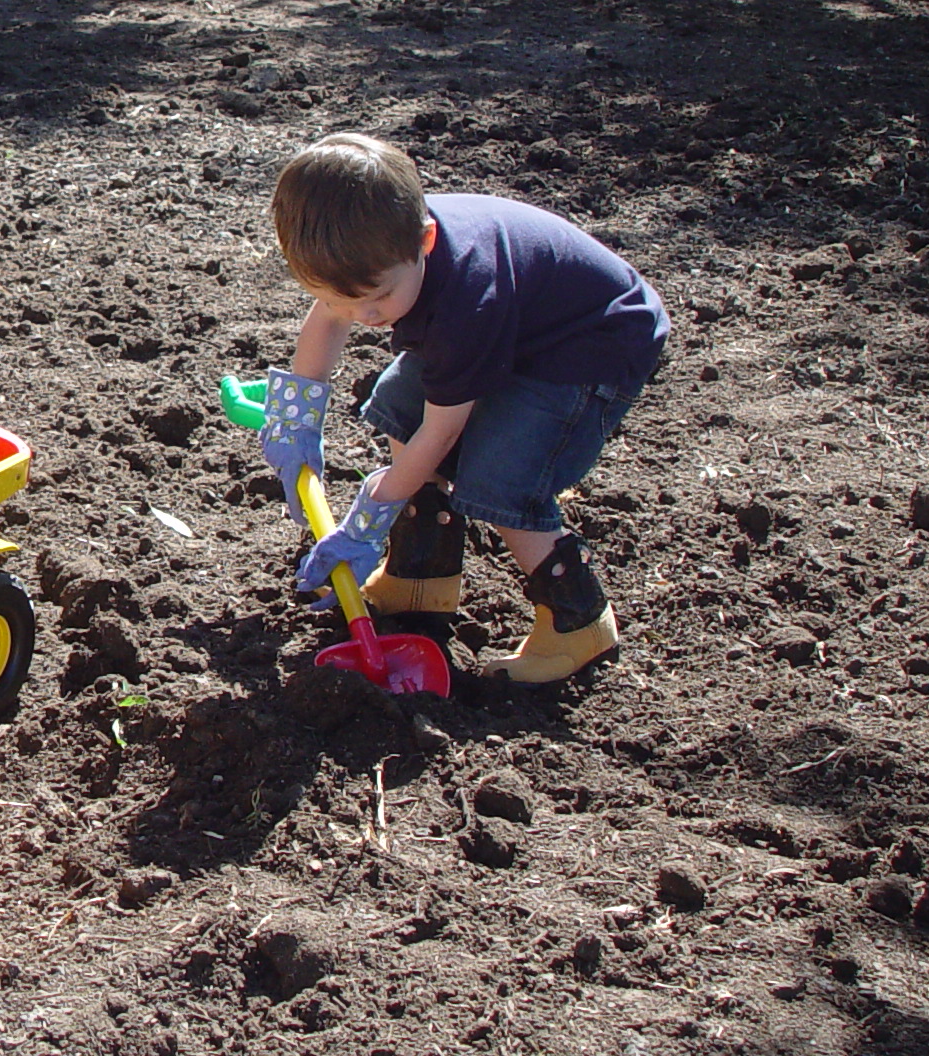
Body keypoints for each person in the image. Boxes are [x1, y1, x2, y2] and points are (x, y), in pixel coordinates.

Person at [256, 132, 667, 684]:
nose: (366, 316)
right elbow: (328, 318)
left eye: (377, 299)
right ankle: (423, 572)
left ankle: (579, 621)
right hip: (518, 328)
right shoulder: (376, 248)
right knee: (401, 401)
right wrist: (296, 417)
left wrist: (369, 519)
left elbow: (442, 433)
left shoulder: (467, 301)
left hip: (592, 345)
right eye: (343, 298)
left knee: (504, 472)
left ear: (424, 241)